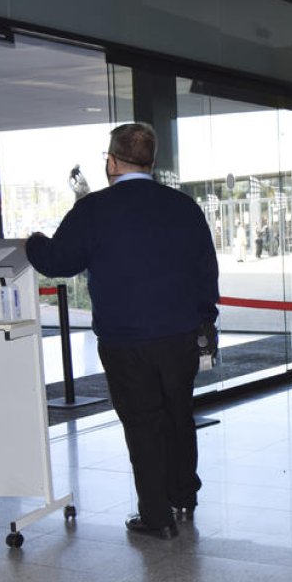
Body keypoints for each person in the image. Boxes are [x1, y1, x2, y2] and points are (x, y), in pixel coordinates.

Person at [25, 122, 219, 539]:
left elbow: (58, 261)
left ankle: (156, 516)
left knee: (143, 423)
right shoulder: (183, 207)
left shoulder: (94, 210)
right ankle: (184, 496)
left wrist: (33, 242)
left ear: (111, 161)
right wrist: (205, 319)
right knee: (178, 415)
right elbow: (206, 269)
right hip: (181, 334)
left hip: (125, 340)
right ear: (152, 162)